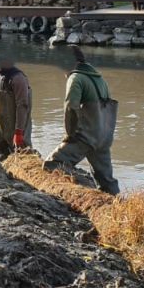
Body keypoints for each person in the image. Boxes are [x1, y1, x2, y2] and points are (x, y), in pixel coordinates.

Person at [44, 45, 119, 194]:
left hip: (86, 137)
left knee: (52, 164)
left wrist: (70, 135)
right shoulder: (100, 79)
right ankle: (116, 206)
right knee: (106, 180)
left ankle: (78, 191)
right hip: (103, 137)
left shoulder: (75, 78)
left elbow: (71, 108)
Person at [0, 53, 32, 156]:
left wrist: (19, 132)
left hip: (17, 125)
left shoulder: (18, 79)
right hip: (0, 125)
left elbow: (23, 106)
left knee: (22, 153)